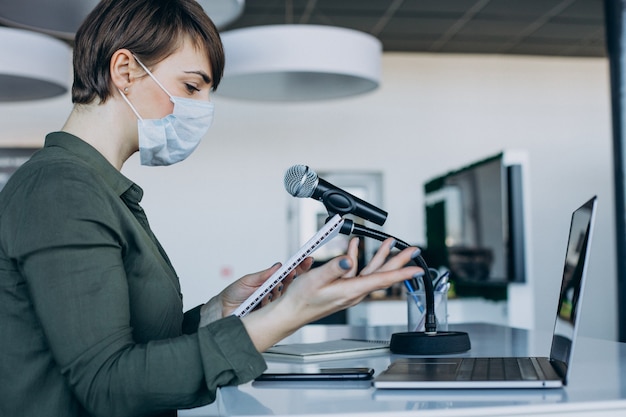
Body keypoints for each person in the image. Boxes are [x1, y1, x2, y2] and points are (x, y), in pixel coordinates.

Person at [0, 1, 423, 416]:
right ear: (124, 71)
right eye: (190, 87)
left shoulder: (99, 189)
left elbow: (130, 344)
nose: (201, 110)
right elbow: (109, 385)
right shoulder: (63, 189)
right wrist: (289, 313)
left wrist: (217, 312)